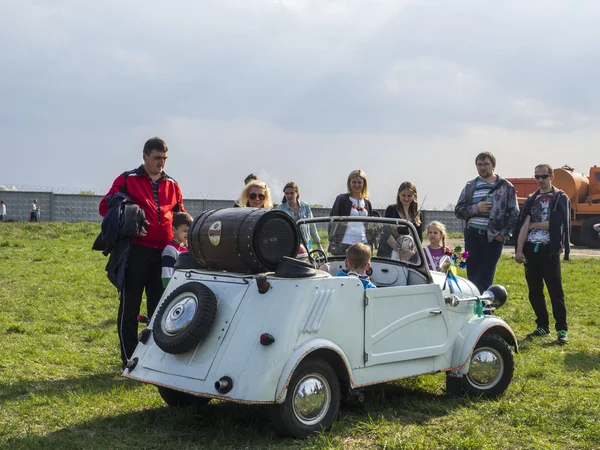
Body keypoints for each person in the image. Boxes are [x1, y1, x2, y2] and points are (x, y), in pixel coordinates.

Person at [99, 137, 186, 369]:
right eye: (157, 158)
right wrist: (127, 208)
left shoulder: (173, 185)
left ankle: (155, 359)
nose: (161, 163)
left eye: (165, 159)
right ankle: (129, 359)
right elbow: (105, 206)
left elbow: (180, 216)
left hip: (164, 256)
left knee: (159, 308)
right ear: (145, 156)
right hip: (135, 252)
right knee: (130, 307)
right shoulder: (128, 179)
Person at [514, 164, 570, 344]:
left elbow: (556, 225)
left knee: (555, 292)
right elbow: (524, 225)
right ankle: (542, 326)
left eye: (544, 176)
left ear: (551, 176)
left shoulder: (559, 197)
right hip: (531, 250)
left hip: (549, 250)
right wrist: (519, 250)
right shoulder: (532, 199)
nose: (540, 180)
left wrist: (535, 225)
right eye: (537, 176)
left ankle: (561, 330)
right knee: (535, 292)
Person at [455, 152, 519, 293]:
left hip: (493, 238)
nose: (482, 167)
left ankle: (483, 308)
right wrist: (475, 209)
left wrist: (503, 234)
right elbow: (458, 210)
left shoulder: (505, 186)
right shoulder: (470, 186)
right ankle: (474, 305)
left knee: (485, 276)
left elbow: (514, 213)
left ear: (493, 166)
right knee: (472, 275)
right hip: (473, 235)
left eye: (486, 164)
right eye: (479, 164)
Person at [328, 169, 374, 255]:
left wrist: (371, 243)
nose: (356, 185)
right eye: (354, 182)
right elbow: (332, 220)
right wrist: (341, 223)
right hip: (345, 242)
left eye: (359, 182)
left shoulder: (367, 202)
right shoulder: (342, 199)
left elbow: (370, 225)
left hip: (363, 242)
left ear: (364, 184)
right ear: (349, 183)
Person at [379, 181, 423, 258]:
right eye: (403, 195)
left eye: (409, 196)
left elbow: (419, 238)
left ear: (414, 196)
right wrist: (399, 250)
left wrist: (411, 253)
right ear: (399, 194)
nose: (406, 198)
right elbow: (386, 233)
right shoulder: (391, 209)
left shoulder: (418, 214)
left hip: (410, 254)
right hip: (389, 253)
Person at [277, 182, 324, 251]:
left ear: (297, 193)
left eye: (291, 193)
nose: (289, 196)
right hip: (289, 244)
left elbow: (312, 225)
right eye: (287, 193)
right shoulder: (280, 208)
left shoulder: (305, 206)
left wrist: (318, 244)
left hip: (306, 242)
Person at [161, 212, 193, 288]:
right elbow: (166, 278)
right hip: (176, 293)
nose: (188, 234)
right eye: (185, 231)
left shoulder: (188, 248)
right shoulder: (170, 250)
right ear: (174, 229)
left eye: (190, 231)